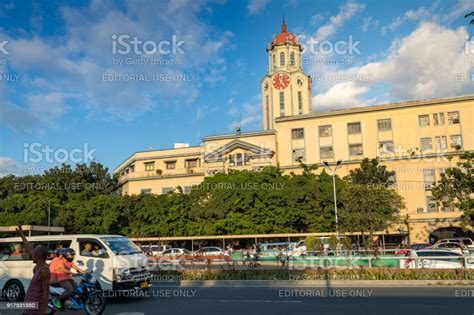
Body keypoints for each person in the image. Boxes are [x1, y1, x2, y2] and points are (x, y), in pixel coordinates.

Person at [16, 225, 50, 315]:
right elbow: (28, 247)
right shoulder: (39, 265)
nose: (32, 255)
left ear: (38, 256)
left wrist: (42, 312)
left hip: (35, 311)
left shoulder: (44, 271)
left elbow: (46, 293)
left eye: (34, 254)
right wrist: (21, 234)